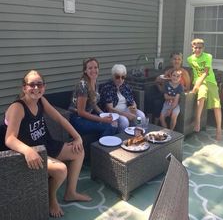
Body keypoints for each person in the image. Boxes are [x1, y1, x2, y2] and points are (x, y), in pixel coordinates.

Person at [3, 70, 91, 218]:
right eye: (31, 85)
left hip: (47, 144)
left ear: (44, 87)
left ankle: (70, 192)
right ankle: (51, 199)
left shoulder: (41, 101)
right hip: (33, 151)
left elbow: (60, 119)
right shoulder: (17, 107)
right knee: (61, 170)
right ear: (24, 88)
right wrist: (28, 151)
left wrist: (77, 137)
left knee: (79, 150)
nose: (36, 88)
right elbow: (9, 139)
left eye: (39, 84)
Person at [69, 58, 117, 139]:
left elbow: (93, 104)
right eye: (90, 68)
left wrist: (103, 115)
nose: (93, 70)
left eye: (95, 67)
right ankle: (101, 149)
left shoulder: (95, 82)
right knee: (110, 126)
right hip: (77, 119)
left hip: (87, 116)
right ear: (85, 70)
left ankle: (104, 146)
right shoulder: (82, 86)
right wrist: (102, 120)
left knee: (114, 123)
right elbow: (81, 112)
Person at [187, 38, 222, 140]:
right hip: (199, 82)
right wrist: (193, 85)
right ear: (192, 48)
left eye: (200, 48)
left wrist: (196, 85)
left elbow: (205, 72)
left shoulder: (208, 56)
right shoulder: (190, 59)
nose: (198, 50)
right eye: (196, 47)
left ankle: (219, 129)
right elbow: (194, 72)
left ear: (203, 48)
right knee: (201, 96)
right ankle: (197, 121)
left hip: (210, 82)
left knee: (217, 105)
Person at [147, 52, 191, 125]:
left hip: (177, 96)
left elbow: (188, 88)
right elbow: (159, 81)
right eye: (174, 59)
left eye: (179, 59)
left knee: (157, 102)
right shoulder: (169, 71)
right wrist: (158, 83)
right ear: (171, 60)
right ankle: (148, 118)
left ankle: (155, 123)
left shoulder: (184, 73)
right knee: (150, 92)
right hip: (166, 93)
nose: (176, 61)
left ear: (181, 61)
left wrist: (180, 93)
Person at [99, 64, 146, 132]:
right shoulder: (107, 88)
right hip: (115, 113)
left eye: (123, 77)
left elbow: (132, 101)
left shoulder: (125, 86)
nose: (120, 79)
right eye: (117, 77)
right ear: (113, 76)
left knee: (141, 116)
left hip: (127, 110)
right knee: (124, 121)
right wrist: (127, 114)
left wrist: (134, 107)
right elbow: (110, 108)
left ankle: (136, 132)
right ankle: (123, 138)